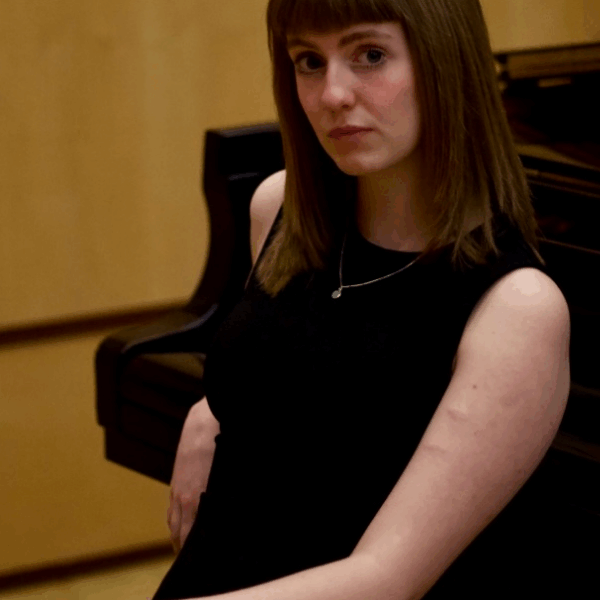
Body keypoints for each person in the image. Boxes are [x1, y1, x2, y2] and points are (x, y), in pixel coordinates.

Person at [153, 1, 584, 599]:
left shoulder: (517, 310)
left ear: (445, 64)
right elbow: (295, 373)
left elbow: (384, 579)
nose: (332, 94)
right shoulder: (279, 210)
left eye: (371, 55)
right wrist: (213, 408)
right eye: (309, 61)